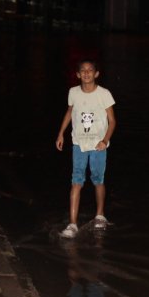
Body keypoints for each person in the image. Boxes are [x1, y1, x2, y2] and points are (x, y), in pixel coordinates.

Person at [55, 60, 116, 239]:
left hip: (98, 145)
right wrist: (61, 134)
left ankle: (100, 215)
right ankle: (72, 224)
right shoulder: (73, 92)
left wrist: (105, 140)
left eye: (90, 70)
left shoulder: (104, 94)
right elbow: (69, 112)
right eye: (83, 70)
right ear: (78, 74)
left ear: (96, 74)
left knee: (98, 179)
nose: (87, 73)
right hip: (79, 143)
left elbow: (112, 121)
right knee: (76, 181)